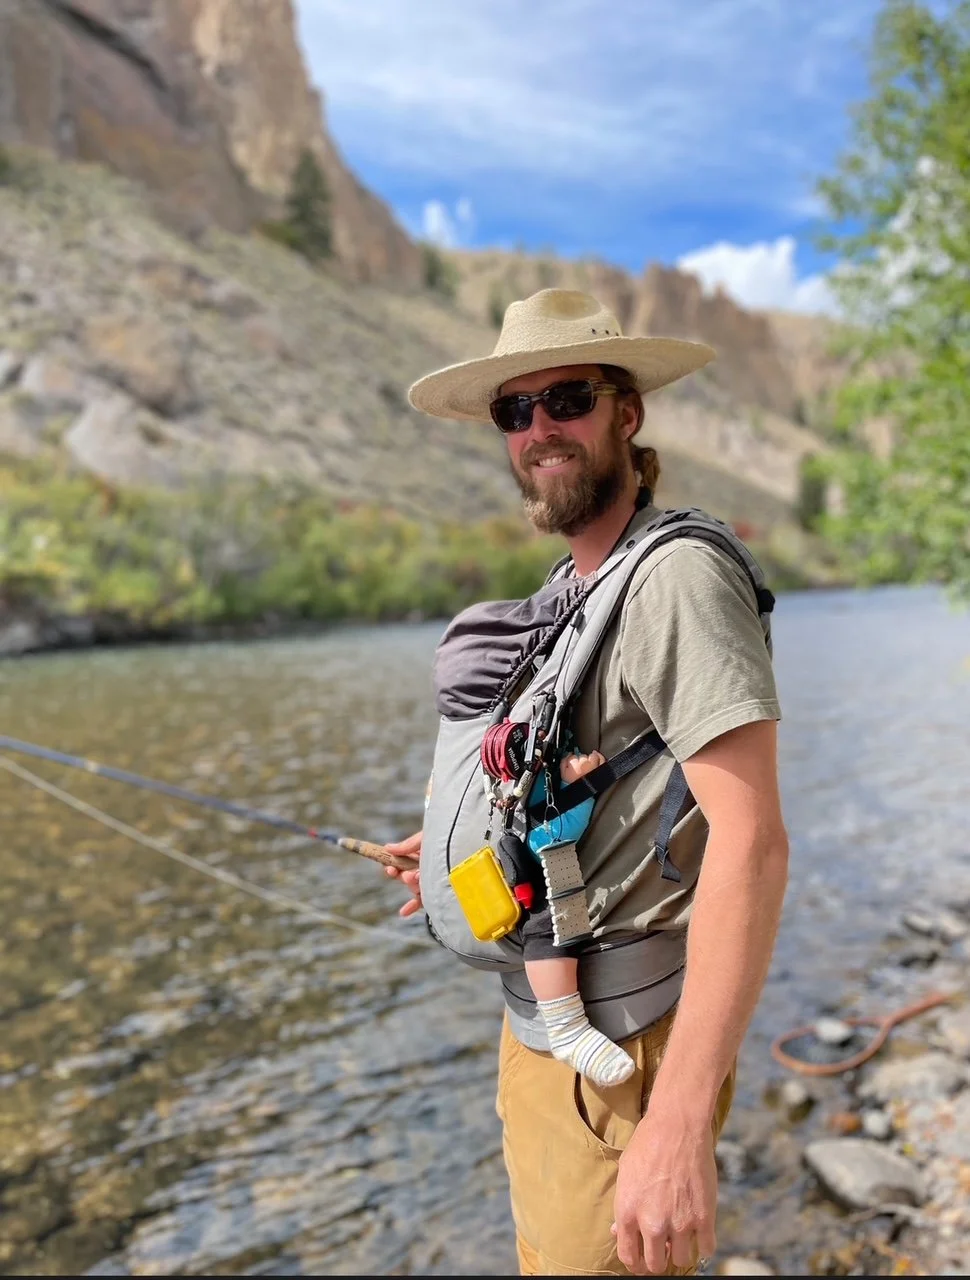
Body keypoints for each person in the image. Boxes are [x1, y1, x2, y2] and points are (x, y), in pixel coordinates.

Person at [383, 288, 790, 1277]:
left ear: (627, 412)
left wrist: (679, 1123)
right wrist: (450, 857)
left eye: (565, 397)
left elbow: (752, 843)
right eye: (513, 410)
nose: (538, 429)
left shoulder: (676, 578)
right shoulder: (575, 593)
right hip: (546, 1041)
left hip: (620, 1055)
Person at [520, 747, 638, 1088]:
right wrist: (581, 787)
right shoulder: (525, 743)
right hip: (537, 862)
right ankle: (565, 1027)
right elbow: (545, 837)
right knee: (550, 923)